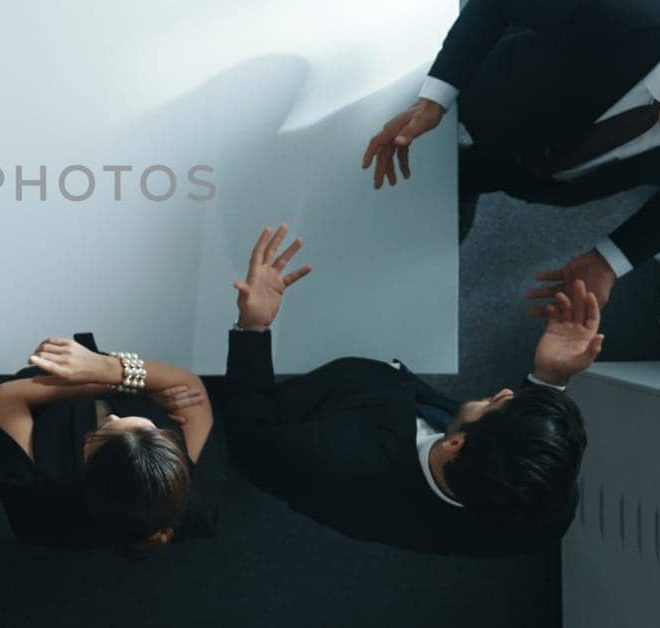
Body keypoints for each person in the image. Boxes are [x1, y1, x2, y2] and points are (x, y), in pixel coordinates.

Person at [360, 0, 660, 315]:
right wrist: (435, 99)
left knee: (507, 175)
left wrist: (610, 261)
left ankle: (471, 178)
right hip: (501, 93)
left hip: (565, 174)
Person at [220, 225, 599, 557]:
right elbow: (525, 460)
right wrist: (548, 379)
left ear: (455, 445)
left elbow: (252, 448)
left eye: (496, 405)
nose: (502, 391)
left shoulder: (333, 458)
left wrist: (252, 329)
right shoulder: (540, 511)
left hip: (310, 411)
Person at [0, 330, 219, 556]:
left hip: (45, 389)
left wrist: (106, 378)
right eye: (148, 426)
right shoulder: (192, 499)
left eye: (102, 432)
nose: (111, 416)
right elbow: (190, 385)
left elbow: (6, 397)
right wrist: (109, 372)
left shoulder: (35, 480)